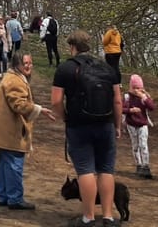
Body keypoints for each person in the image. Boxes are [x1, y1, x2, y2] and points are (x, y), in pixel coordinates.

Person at [51, 29, 122, 227]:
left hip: (79, 125)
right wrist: (117, 125)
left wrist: (66, 118)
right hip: (105, 124)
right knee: (106, 169)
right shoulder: (108, 68)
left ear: (72, 46)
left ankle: (88, 217)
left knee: (85, 170)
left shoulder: (65, 69)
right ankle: (108, 216)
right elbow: (117, 101)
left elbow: (56, 101)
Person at [0, 53, 56, 209]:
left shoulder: (13, 78)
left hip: (3, 129)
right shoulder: (15, 81)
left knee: (5, 163)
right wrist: (39, 109)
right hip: (9, 130)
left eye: (30, 62)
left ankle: (4, 196)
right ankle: (15, 198)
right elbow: (19, 104)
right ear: (17, 65)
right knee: (14, 163)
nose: (29, 66)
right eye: (25, 63)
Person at [123, 74, 154, 178]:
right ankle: (139, 165)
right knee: (135, 145)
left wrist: (144, 97)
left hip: (142, 124)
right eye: (134, 88)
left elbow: (151, 107)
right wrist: (130, 110)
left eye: (139, 88)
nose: (136, 90)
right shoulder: (127, 97)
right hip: (131, 124)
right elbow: (121, 109)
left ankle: (146, 166)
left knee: (143, 145)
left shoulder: (144, 97)